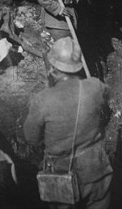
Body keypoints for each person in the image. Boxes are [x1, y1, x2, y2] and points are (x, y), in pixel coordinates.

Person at [23, 38, 113, 209]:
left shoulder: (42, 100)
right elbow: (105, 114)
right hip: (96, 170)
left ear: (53, 67)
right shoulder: (96, 87)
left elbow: (32, 139)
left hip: (60, 174)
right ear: (78, 65)